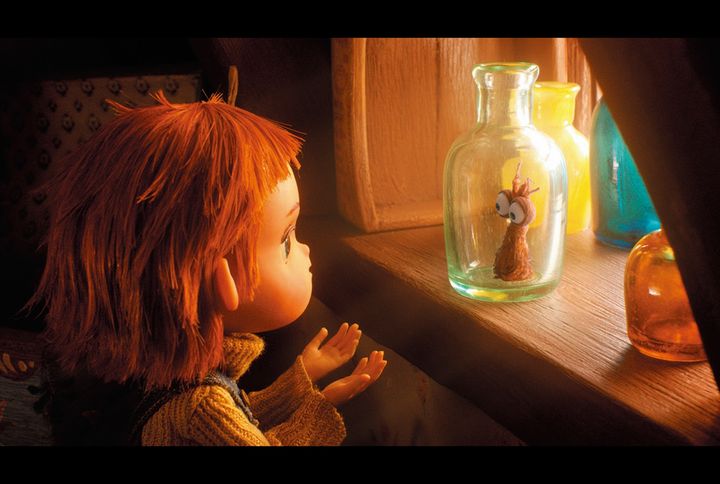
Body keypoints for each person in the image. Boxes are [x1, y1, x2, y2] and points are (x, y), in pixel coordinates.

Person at [24, 87, 387, 446]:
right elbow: (232, 426)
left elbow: (239, 416)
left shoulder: (160, 374)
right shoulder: (201, 406)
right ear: (222, 280)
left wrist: (303, 376)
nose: (305, 250)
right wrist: (321, 409)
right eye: (286, 240)